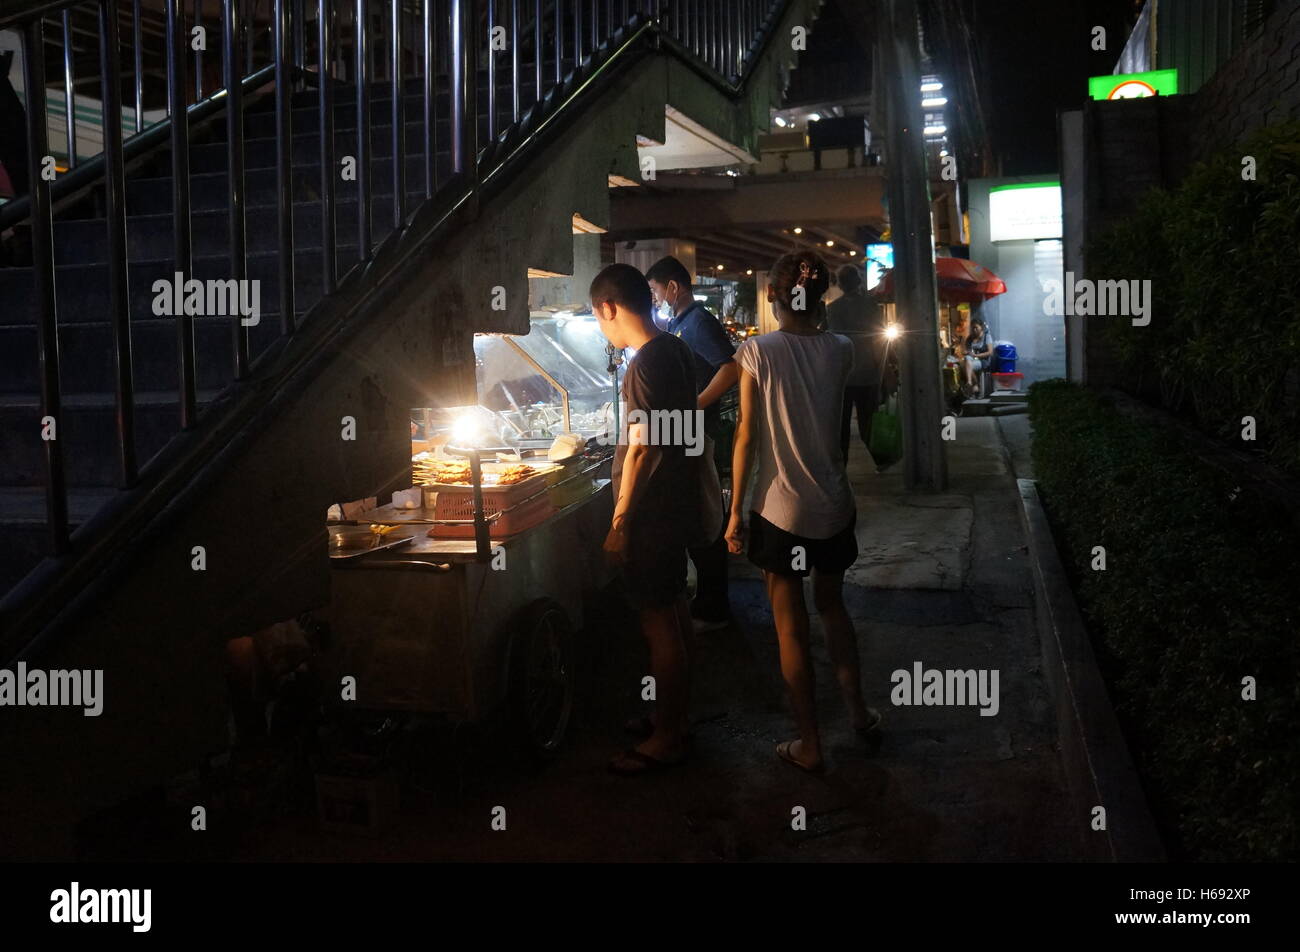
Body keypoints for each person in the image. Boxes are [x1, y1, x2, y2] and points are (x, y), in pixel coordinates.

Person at [726, 251, 880, 773]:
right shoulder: (840, 350)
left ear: (772, 294)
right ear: (821, 298)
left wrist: (734, 514)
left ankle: (810, 744)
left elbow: (746, 436)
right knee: (834, 609)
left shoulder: (756, 351)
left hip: (780, 511)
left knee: (789, 628)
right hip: (835, 504)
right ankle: (858, 713)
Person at [591, 263, 699, 775]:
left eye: (599, 317)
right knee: (675, 612)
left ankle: (668, 739)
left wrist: (620, 522)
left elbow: (641, 449)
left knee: (659, 624)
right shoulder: (674, 348)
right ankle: (673, 717)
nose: (602, 328)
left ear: (609, 308)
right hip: (674, 504)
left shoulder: (645, 364)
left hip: (652, 513)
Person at [645, 256, 735, 633]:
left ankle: (714, 608)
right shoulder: (679, 323)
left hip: (699, 428)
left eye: (655, 291)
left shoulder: (698, 322)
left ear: (673, 288)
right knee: (697, 516)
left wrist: (695, 403)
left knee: (703, 517)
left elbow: (731, 368)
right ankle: (707, 601)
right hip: (688, 429)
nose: (655, 298)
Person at [824, 264, 885, 465]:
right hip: (869, 373)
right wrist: (887, 371)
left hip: (842, 376)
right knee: (869, 422)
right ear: (858, 281)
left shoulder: (832, 310)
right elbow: (879, 340)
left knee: (841, 426)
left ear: (840, 285)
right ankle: (880, 459)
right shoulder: (872, 306)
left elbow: (823, 339)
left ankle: (841, 467)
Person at [964, 317, 993, 396]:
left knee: (967, 366)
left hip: (983, 361)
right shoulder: (969, 338)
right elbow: (968, 350)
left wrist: (977, 355)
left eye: (976, 327)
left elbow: (990, 352)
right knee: (967, 359)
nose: (974, 330)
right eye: (972, 328)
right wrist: (967, 352)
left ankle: (974, 384)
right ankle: (970, 383)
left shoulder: (987, 336)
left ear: (981, 327)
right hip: (972, 360)